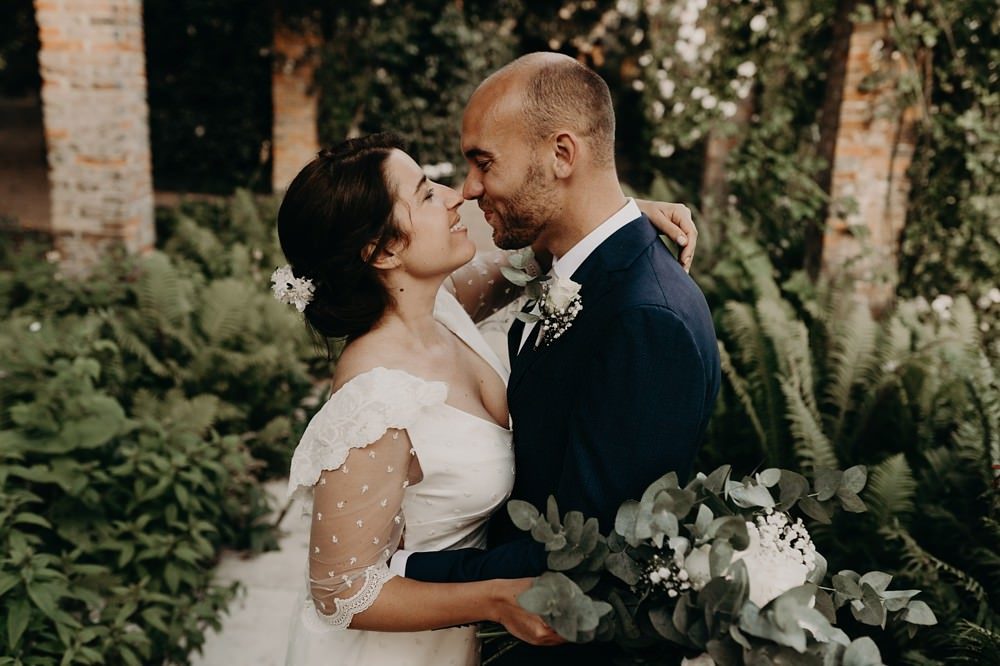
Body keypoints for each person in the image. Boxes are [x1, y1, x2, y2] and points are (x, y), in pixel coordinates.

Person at [277, 133, 699, 666]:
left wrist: (626, 213)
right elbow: (340, 590)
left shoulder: (445, 306)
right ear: (383, 250)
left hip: (464, 632)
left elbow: (545, 247)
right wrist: (496, 599)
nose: (456, 196)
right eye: (426, 194)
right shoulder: (375, 400)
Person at [390, 53, 722, 664]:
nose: (468, 189)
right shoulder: (577, 270)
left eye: (483, 162)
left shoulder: (648, 319)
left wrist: (398, 569)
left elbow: (579, 550)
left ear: (562, 155)